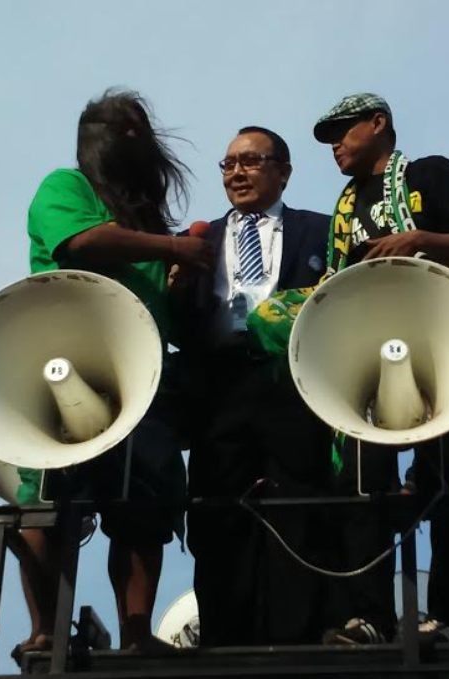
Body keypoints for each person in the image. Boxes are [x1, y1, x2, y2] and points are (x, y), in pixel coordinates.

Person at [14, 88, 213, 656]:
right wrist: (175, 248)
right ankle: (44, 629)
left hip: (136, 379)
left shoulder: (148, 227)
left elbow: (161, 317)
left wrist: (183, 279)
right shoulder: (66, 186)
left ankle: (135, 634)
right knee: (47, 499)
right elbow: (82, 242)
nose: (138, 140)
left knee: (144, 503)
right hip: (63, 368)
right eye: (128, 130)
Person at [312, 93, 449, 645]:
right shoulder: (346, 205)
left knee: (441, 477)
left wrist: (416, 239)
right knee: (364, 484)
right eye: (329, 140)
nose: (336, 146)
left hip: (439, 348)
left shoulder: (428, 175)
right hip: (373, 352)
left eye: (343, 131)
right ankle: (369, 617)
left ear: (379, 123)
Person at [175, 126, 334, 646]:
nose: (237, 172)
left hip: (291, 381)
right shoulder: (197, 240)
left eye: (251, 160)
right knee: (216, 508)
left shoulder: (321, 230)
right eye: (228, 164)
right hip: (219, 385)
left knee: (300, 499)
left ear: (283, 171)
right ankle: (223, 637)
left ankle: (299, 635)